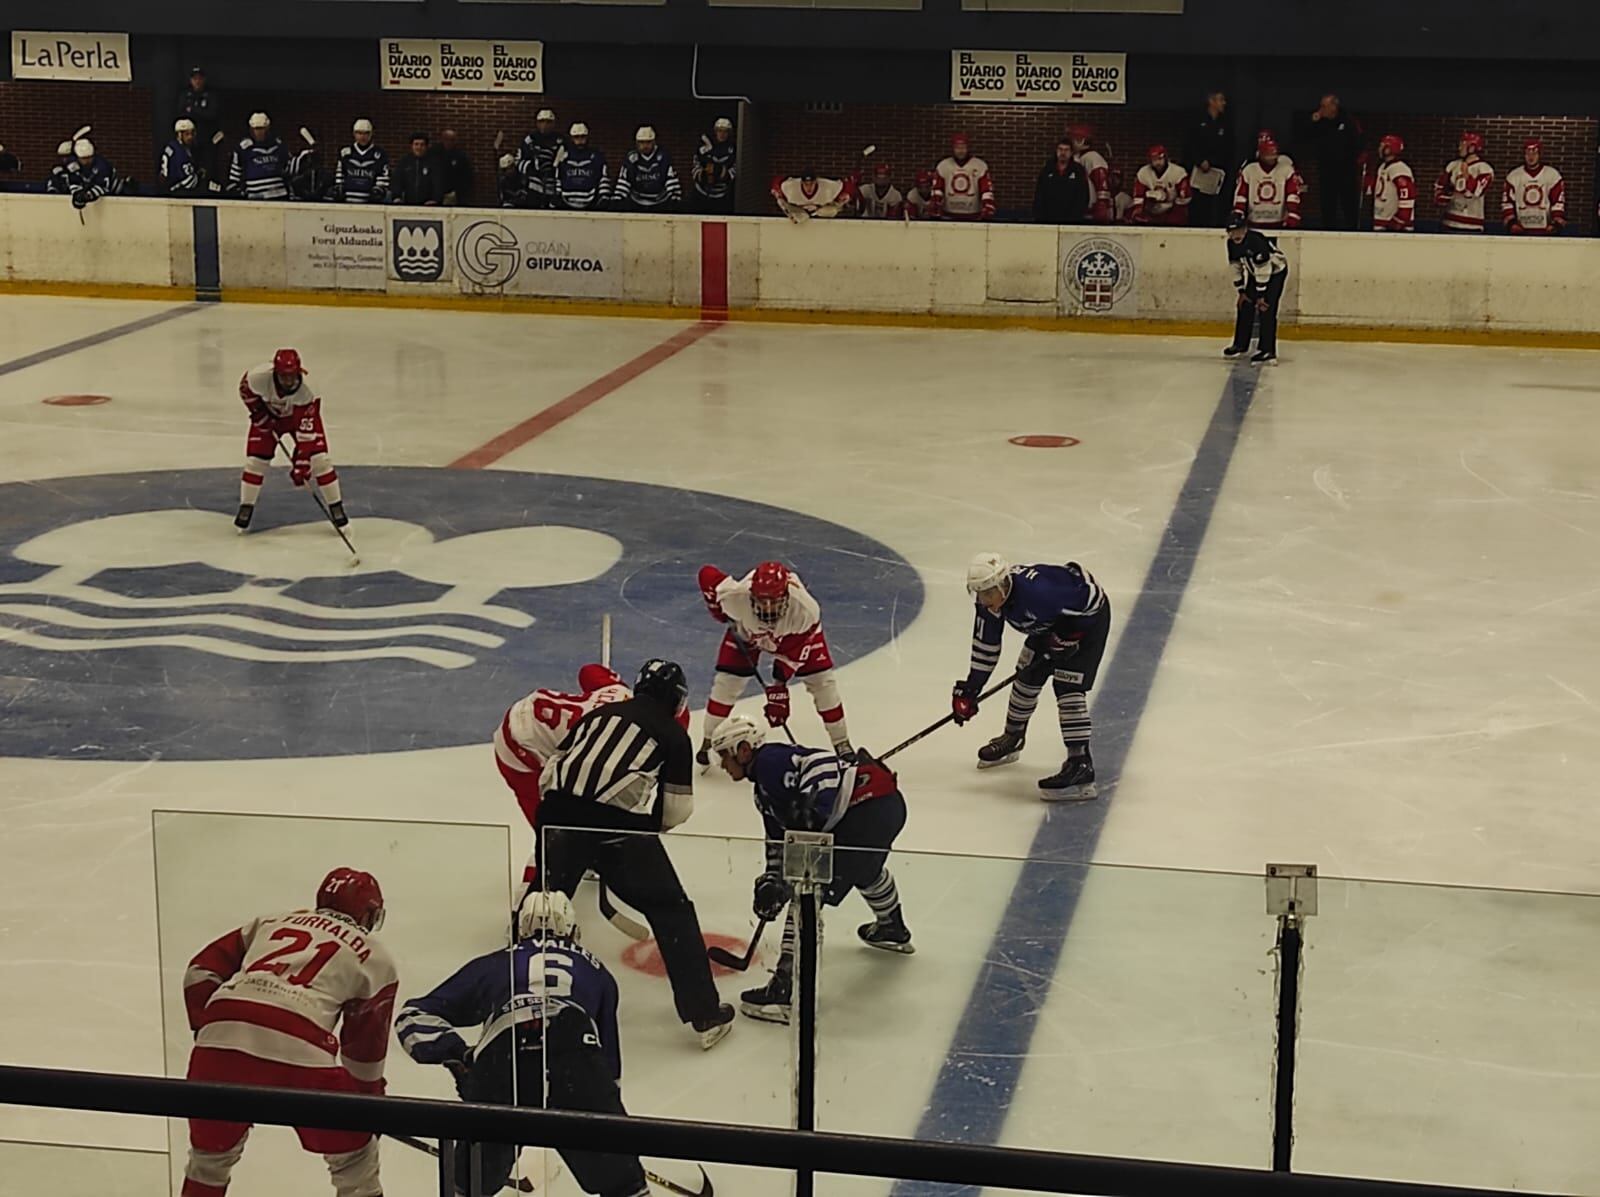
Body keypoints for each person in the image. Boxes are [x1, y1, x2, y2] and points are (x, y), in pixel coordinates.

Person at [534, 659, 734, 1049]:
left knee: (542, 909)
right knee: (671, 911)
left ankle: (513, 995)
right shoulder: (673, 735)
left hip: (555, 820)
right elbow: (677, 810)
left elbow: (551, 771)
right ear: (677, 700)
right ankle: (705, 1015)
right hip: (616, 834)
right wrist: (638, 834)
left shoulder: (598, 714)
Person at [396, 890, 648, 1197]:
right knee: (625, 1187)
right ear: (572, 931)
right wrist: (610, 1136)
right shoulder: (598, 973)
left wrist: (459, 1056)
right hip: (574, 1050)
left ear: (519, 929)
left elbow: (413, 1016)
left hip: (503, 1054)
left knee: (468, 1185)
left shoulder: (495, 963)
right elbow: (609, 1069)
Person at [180, 867, 394, 1197]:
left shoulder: (270, 922)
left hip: (219, 1041)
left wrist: (213, 1028)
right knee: (355, 1163)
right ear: (368, 912)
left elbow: (200, 970)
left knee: (209, 1159)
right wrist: (368, 1107)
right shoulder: (375, 956)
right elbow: (363, 1054)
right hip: (299, 1046)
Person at [711, 718, 914, 1025]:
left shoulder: (769, 761)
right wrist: (772, 880)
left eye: (724, 755)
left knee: (806, 892)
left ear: (742, 750)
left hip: (867, 810)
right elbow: (779, 841)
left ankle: (787, 989)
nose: (723, 765)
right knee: (863, 869)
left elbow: (822, 761)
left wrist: (815, 808)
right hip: (881, 808)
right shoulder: (763, 793)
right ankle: (892, 927)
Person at [952, 552, 1111, 798]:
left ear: (1003, 585)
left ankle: (1080, 763)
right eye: (979, 594)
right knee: (1026, 676)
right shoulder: (991, 602)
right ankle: (1013, 737)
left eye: (988, 593)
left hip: (1087, 622)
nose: (983, 601)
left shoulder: (1039, 594)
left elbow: (1092, 600)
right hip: (1052, 625)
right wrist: (972, 688)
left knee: (1067, 687)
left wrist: (1070, 638)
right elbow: (986, 645)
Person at [696, 561, 852, 760]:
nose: (768, 608)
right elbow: (706, 575)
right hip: (748, 634)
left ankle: (842, 742)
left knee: (822, 683)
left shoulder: (805, 610)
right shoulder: (736, 598)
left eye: (774, 602)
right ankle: (708, 740)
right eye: (762, 601)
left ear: (786, 597)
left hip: (792, 639)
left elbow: (794, 654)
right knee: (727, 683)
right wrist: (719, 612)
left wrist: (779, 687)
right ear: (751, 595)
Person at [495, 664, 632, 836]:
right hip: (521, 748)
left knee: (558, 836)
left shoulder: (621, 692)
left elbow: (589, 671)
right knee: (556, 838)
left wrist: (614, 683)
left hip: (528, 708)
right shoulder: (624, 744)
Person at [235, 348, 346, 532]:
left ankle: (336, 507)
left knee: (319, 460)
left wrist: (301, 462)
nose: (288, 381)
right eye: (284, 377)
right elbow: (245, 390)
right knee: (256, 461)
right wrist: (259, 413)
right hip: (269, 417)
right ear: (275, 373)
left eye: (292, 376)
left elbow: (306, 433)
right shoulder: (258, 377)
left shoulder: (309, 391)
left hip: (298, 417)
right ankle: (246, 506)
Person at [1225, 212, 1289, 365]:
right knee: (1245, 303)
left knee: (1266, 308)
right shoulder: (1231, 244)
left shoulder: (1256, 241)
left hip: (1275, 273)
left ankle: (1268, 350)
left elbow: (1264, 270)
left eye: (1238, 230)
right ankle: (1240, 344)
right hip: (1256, 272)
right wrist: (1241, 292)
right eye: (1231, 231)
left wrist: (1261, 296)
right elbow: (1236, 267)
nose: (1235, 234)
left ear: (1245, 229)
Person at [1296, 93, 1365, 230]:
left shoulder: (1348, 121)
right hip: (1326, 169)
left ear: (1334, 107)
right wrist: (1312, 121)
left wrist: (1354, 160)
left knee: (1349, 202)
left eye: (1324, 106)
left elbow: (1358, 142)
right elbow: (1303, 137)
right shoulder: (1319, 122)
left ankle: (1352, 229)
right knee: (1327, 202)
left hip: (1346, 170)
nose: (1321, 109)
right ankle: (1328, 228)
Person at [1183, 90, 1234, 227]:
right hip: (1198, 172)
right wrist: (1200, 161)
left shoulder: (1226, 124)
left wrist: (1212, 161)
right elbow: (1189, 144)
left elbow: (1228, 148)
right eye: (1221, 99)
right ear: (1211, 101)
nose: (1224, 103)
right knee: (1198, 204)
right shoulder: (1197, 120)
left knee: (1216, 205)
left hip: (1217, 172)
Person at [1232, 131, 1302, 230]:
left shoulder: (1287, 169)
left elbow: (1293, 194)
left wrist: (1293, 214)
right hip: (1254, 222)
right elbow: (1241, 195)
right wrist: (1238, 212)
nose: (1271, 159)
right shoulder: (1249, 170)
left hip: (1279, 223)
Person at [1434, 132, 1494, 233]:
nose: (1459, 148)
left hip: (1472, 226)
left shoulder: (1484, 169)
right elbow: (1440, 187)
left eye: (1463, 144)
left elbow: (1479, 191)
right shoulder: (1452, 165)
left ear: (1472, 148)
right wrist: (1442, 196)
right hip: (1449, 222)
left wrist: (1467, 176)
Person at [1502, 138, 1565, 235]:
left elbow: (1558, 202)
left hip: (1545, 230)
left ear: (1540, 154)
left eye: (1534, 153)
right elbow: (1507, 203)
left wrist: (1556, 223)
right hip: (1520, 230)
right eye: (1528, 153)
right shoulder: (1513, 176)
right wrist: (1512, 223)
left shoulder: (1552, 175)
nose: (1531, 157)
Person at [613, 127, 681, 211]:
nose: (645, 146)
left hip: (660, 203)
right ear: (637, 143)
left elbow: (671, 181)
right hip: (636, 203)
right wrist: (618, 200)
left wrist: (675, 199)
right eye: (641, 142)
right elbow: (623, 181)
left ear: (654, 142)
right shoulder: (631, 158)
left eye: (648, 142)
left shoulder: (664, 157)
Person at [931, 134, 995, 222]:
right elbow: (938, 189)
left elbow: (986, 190)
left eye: (963, 147)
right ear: (953, 148)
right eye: (957, 148)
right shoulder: (943, 166)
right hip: (948, 216)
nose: (960, 151)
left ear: (968, 148)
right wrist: (935, 205)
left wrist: (987, 206)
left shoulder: (980, 166)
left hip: (973, 216)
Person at [229, 113, 289, 201]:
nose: (259, 132)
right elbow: (234, 177)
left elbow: (288, 169)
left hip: (279, 196)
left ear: (268, 128)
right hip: (256, 199)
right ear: (251, 130)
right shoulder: (243, 149)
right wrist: (241, 193)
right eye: (256, 129)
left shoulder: (278, 146)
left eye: (262, 129)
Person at [177, 65, 222, 180]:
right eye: (195, 79)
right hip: (190, 141)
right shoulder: (185, 95)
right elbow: (181, 114)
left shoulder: (211, 95)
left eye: (199, 78)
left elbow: (212, 114)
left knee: (209, 168)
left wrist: (194, 110)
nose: (197, 81)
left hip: (207, 139)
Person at [1130, 144, 1191, 225]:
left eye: (1160, 159)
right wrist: (1138, 211)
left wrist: (1175, 214)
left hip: (1172, 210)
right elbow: (1138, 197)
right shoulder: (1143, 173)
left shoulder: (1178, 172)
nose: (1157, 163)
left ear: (1165, 158)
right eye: (1154, 160)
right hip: (1150, 212)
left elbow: (1185, 198)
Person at [554, 123, 610, 210]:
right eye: (576, 137)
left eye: (582, 137)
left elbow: (603, 178)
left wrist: (603, 197)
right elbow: (557, 178)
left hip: (590, 205)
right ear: (572, 138)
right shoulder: (563, 156)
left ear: (587, 137)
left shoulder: (596, 156)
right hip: (566, 204)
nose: (580, 140)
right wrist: (557, 197)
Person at [1032, 139, 1088, 225]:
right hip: (1048, 219)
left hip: (1071, 220)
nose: (1063, 153)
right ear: (1056, 151)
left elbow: (1083, 195)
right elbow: (1039, 194)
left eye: (1066, 150)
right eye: (1060, 149)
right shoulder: (1047, 169)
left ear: (1071, 152)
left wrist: (1077, 217)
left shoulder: (1078, 171)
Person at [1367, 134, 1415, 232]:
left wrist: (1400, 220)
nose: (1380, 148)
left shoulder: (1399, 169)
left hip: (1394, 225)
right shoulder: (1382, 166)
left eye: (1383, 145)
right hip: (1382, 220)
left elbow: (1407, 195)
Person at [334, 119, 388, 205]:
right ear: (354, 134)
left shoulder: (379, 154)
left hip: (369, 204)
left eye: (366, 133)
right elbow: (339, 174)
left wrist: (377, 191)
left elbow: (383, 176)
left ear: (371, 134)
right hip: (347, 202)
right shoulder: (345, 153)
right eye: (359, 133)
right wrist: (339, 188)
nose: (362, 137)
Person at [518, 108, 563, 209]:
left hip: (553, 188)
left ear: (553, 124)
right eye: (542, 122)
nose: (545, 125)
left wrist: (553, 168)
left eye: (548, 122)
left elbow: (564, 161)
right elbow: (519, 160)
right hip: (533, 187)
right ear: (537, 123)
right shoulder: (530, 139)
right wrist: (532, 168)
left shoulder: (560, 140)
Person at [692, 117, 737, 214]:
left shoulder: (733, 149)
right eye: (720, 131)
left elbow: (734, 170)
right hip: (701, 194)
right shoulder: (704, 147)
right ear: (715, 131)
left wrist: (720, 173)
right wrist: (703, 174)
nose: (722, 134)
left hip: (722, 196)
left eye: (725, 131)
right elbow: (695, 165)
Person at [1068, 125, 1112, 223]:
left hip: (1091, 212)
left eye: (1073, 139)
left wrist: (1102, 205)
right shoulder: (1077, 158)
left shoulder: (1092, 157)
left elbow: (1102, 182)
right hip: (1078, 210)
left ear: (1081, 140)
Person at [771, 168, 851, 220]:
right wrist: (777, 191)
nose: (809, 188)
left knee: (833, 209)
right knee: (781, 202)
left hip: (822, 211)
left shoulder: (827, 186)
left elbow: (848, 185)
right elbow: (777, 180)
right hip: (798, 211)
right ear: (801, 182)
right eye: (806, 184)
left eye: (811, 184)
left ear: (816, 182)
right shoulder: (791, 186)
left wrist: (847, 194)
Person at [67, 139, 119, 210]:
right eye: (83, 158)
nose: (87, 161)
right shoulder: (73, 165)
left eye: (89, 158)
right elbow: (73, 180)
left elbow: (104, 186)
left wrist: (88, 195)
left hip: (113, 196)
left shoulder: (102, 165)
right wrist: (77, 194)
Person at [393, 132, 444, 206]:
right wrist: (396, 197)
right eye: (416, 144)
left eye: (422, 145)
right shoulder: (404, 162)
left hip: (429, 205)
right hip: (408, 204)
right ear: (412, 146)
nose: (419, 147)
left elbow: (438, 183)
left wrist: (436, 199)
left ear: (426, 146)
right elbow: (397, 181)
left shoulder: (434, 163)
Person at [161, 119, 206, 196]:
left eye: (192, 134)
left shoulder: (175, 147)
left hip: (172, 188)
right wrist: (199, 175)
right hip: (178, 191)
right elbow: (186, 179)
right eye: (187, 134)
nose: (190, 137)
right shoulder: (178, 151)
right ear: (179, 135)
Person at [435, 128, 474, 206]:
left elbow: (467, 176)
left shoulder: (461, 156)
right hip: (436, 194)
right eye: (446, 139)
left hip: (453, 194)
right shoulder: (434, 154)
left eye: (452, 140)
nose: (449, 142)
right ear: (442, 139)